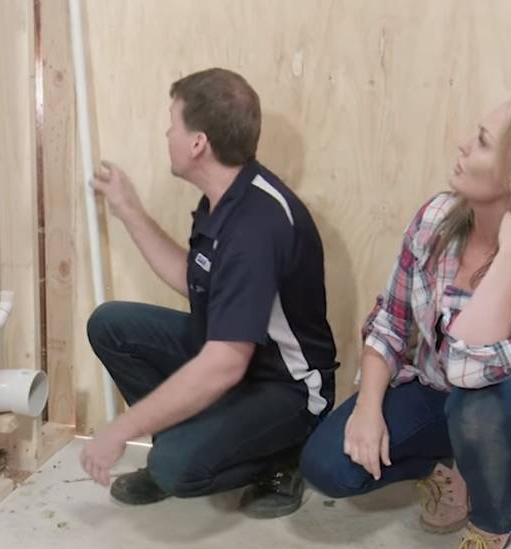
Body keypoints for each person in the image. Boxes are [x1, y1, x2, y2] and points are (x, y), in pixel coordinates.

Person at [300, 85, 511, 549]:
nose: (463, 145)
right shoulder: (436, 218)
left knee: (483, 399)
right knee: (328, 467)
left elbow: (470, 370)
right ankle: (454, 471)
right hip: (441, 393)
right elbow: (390, 320)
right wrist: (368, 408)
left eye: (481, 141)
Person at [81, 67, 337, 519]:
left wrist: (121, 429)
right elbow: (195, 280)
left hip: (285, 387)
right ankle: (187, 439)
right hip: (238, 359)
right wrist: (129, 210)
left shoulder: (257, 225)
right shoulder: (225, 197)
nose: (167, 133)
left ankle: (284, 456)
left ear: (198, 143)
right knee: (111, 326)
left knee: (176, 468)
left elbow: (224, 364)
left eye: (173, 124)